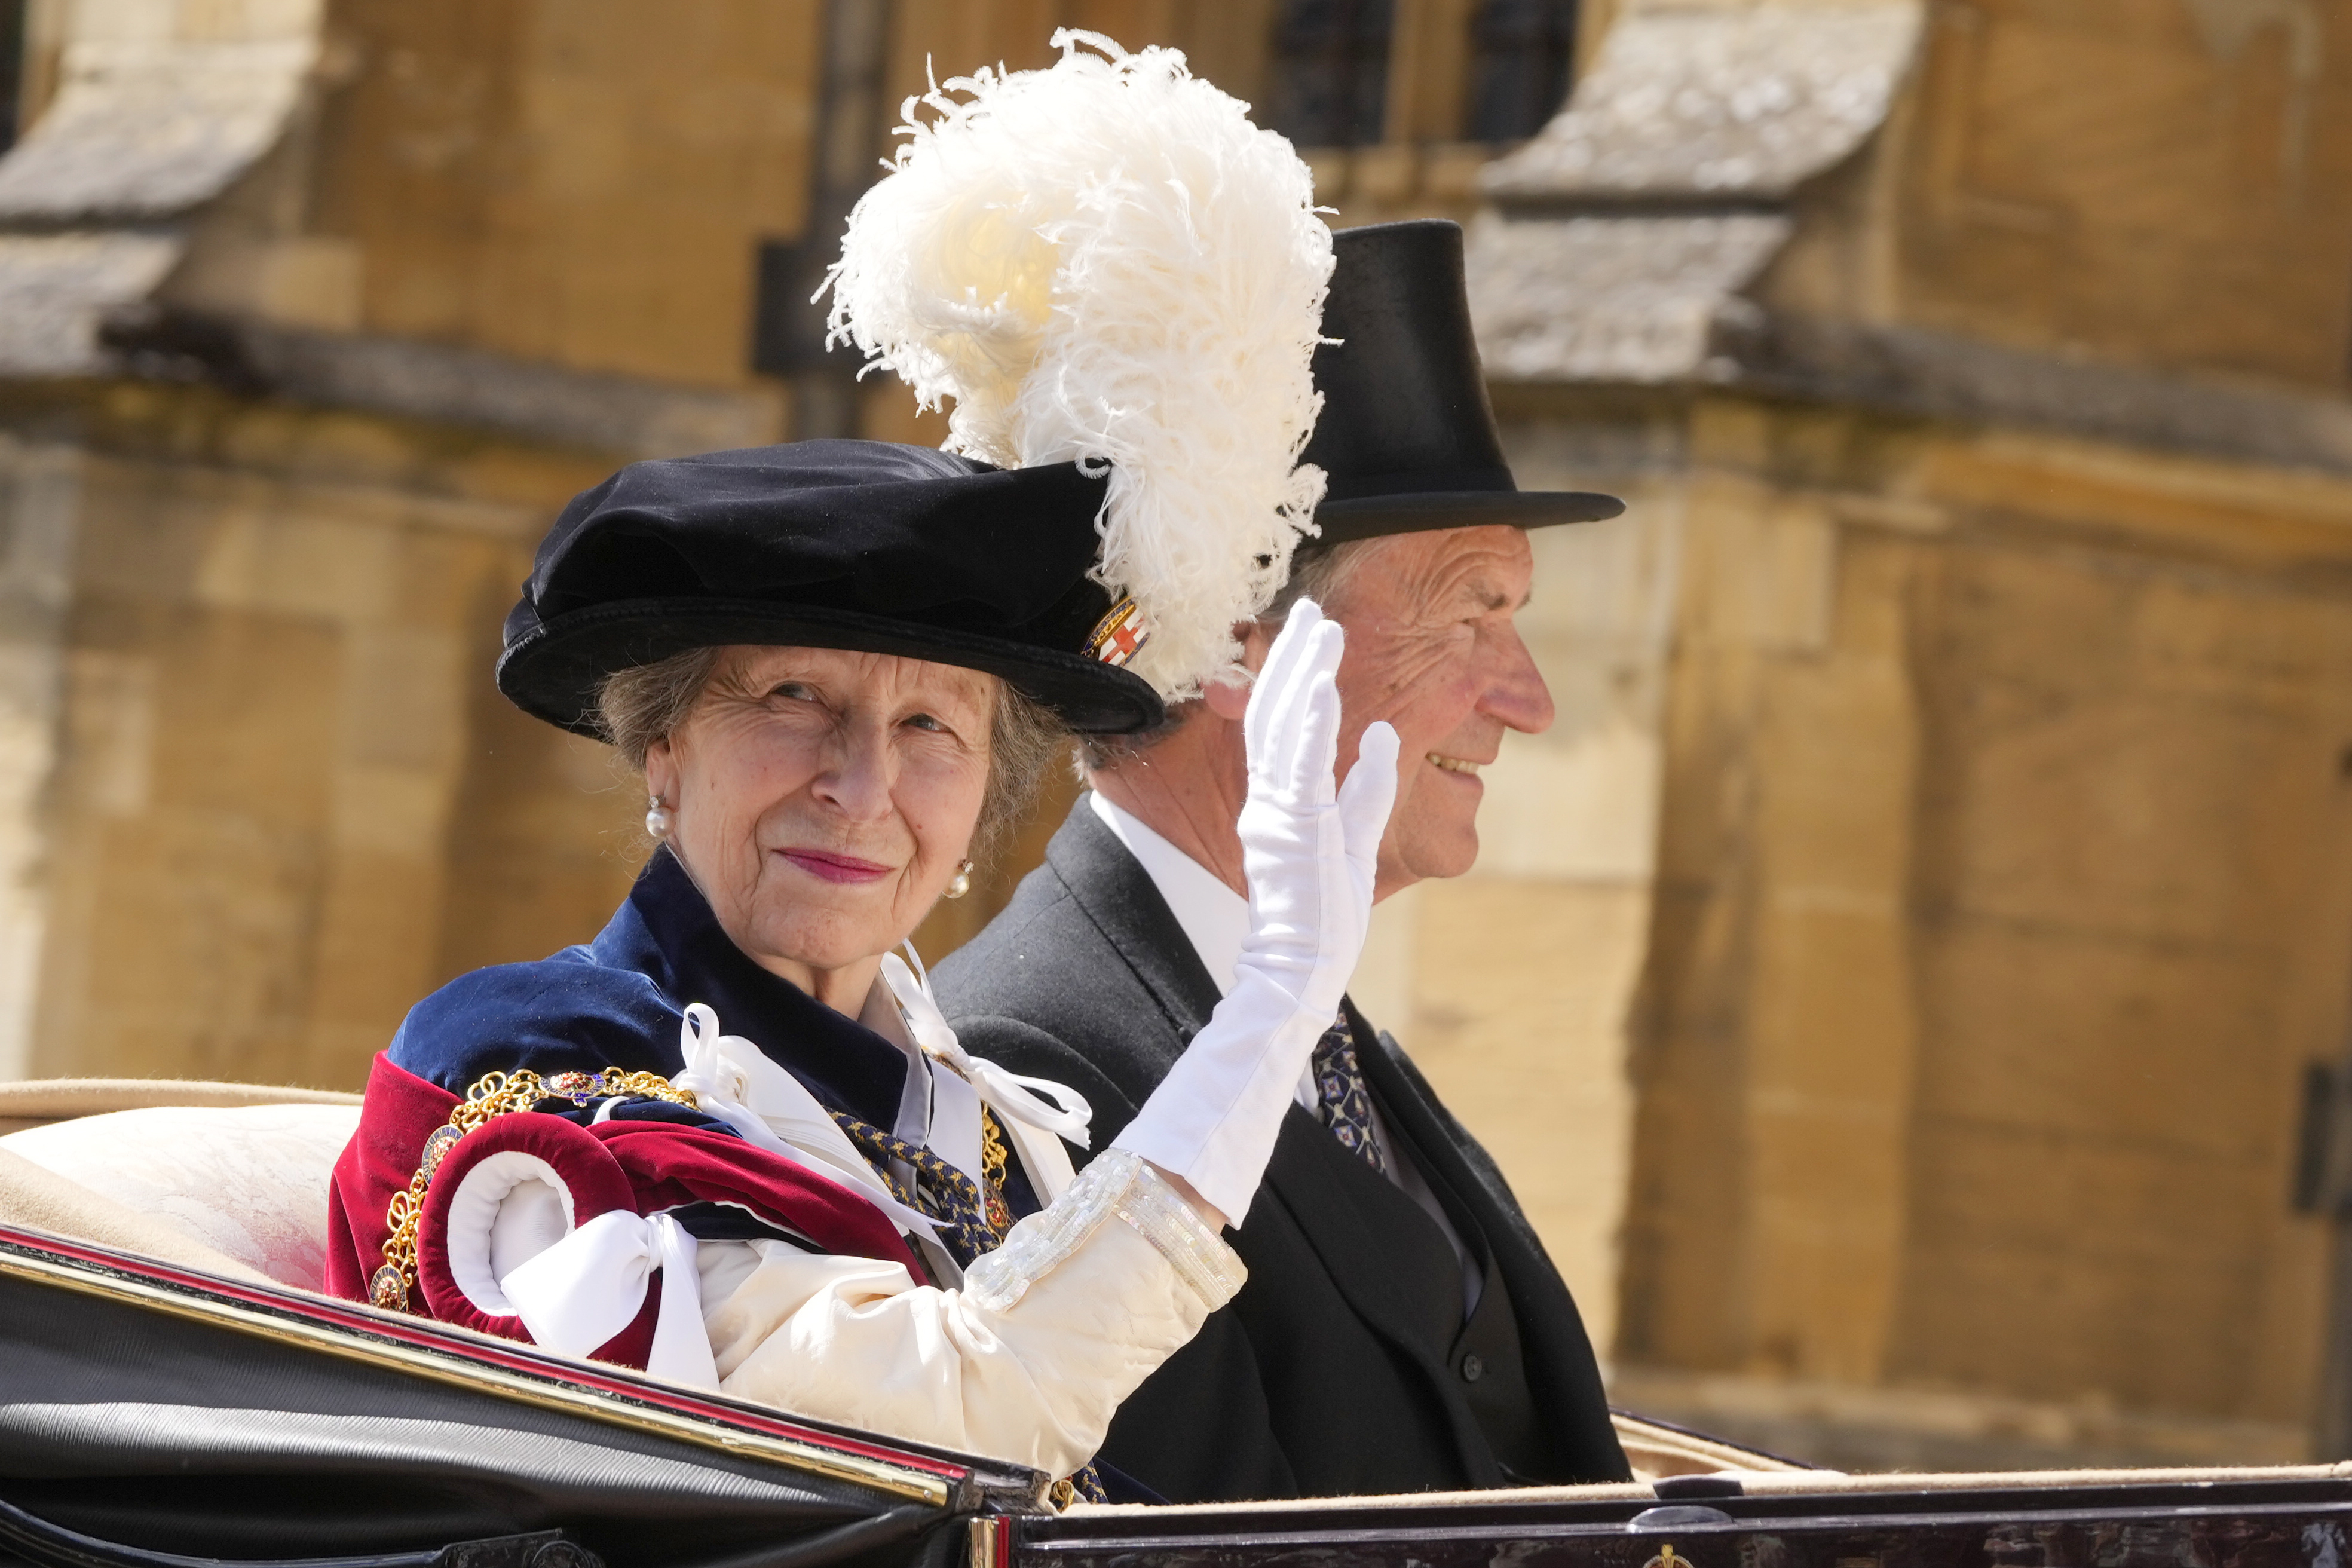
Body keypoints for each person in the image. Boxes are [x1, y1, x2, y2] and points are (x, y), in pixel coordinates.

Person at [324, 34, 1389, 1503]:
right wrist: (1262, 1019)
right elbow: (955, 1419)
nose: (859, 782)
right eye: (793, 699)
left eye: (930, 729)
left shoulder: (973, 1112)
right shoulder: (538, 1076)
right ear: (661, 740)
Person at [932, 219, 1638, 1502]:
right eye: (1471, 612)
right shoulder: (1027, 1062)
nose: (1527, 699)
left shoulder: (1330, 1030)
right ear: (1242, 648)